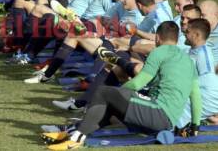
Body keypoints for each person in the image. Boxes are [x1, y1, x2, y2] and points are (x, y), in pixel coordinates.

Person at [45, 21, 201, 150]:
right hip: (165, 122)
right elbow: (195, 96)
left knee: (104, 92)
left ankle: (76, 138)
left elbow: (139, 82)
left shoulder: (159, 52)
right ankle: (73, 131)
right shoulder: (188, 60)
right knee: (111, 107)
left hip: (157, 113)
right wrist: (195, 126)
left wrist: (119, 94)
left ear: (158, 38)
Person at [176, 18, 218, 130]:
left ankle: (177, 129)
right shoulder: (192, 51)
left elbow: (208, 82)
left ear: (197, 35)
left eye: (188, 31)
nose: (184, 32)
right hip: (199, 94)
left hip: (208, 97)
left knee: (178, 105)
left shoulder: (203, 54)